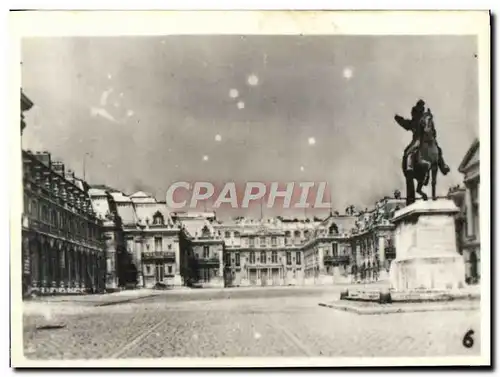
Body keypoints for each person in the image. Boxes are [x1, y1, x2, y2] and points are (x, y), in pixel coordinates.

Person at [394, 100, 450, 175]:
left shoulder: (416, 121)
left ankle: (409, 166)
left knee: (408, 151)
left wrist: (398, 119)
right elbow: (433, 131)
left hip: (418, 140)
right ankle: (443, 166)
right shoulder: (424, 120)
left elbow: (406, 124)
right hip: (429, 140)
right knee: (438, 150)